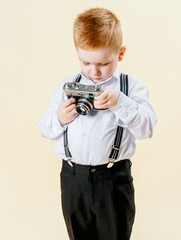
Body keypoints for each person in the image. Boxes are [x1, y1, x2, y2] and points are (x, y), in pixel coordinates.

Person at [38, 7, 157, 240]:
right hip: (73, 178)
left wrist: (120, 102)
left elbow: (147, 128)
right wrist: (60, 118)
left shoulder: (130, 88)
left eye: (103, 64)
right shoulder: (67, 86)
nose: (94, 72)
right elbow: (45, 128)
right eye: (85, 63)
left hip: (113, 180)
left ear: (120, 53)